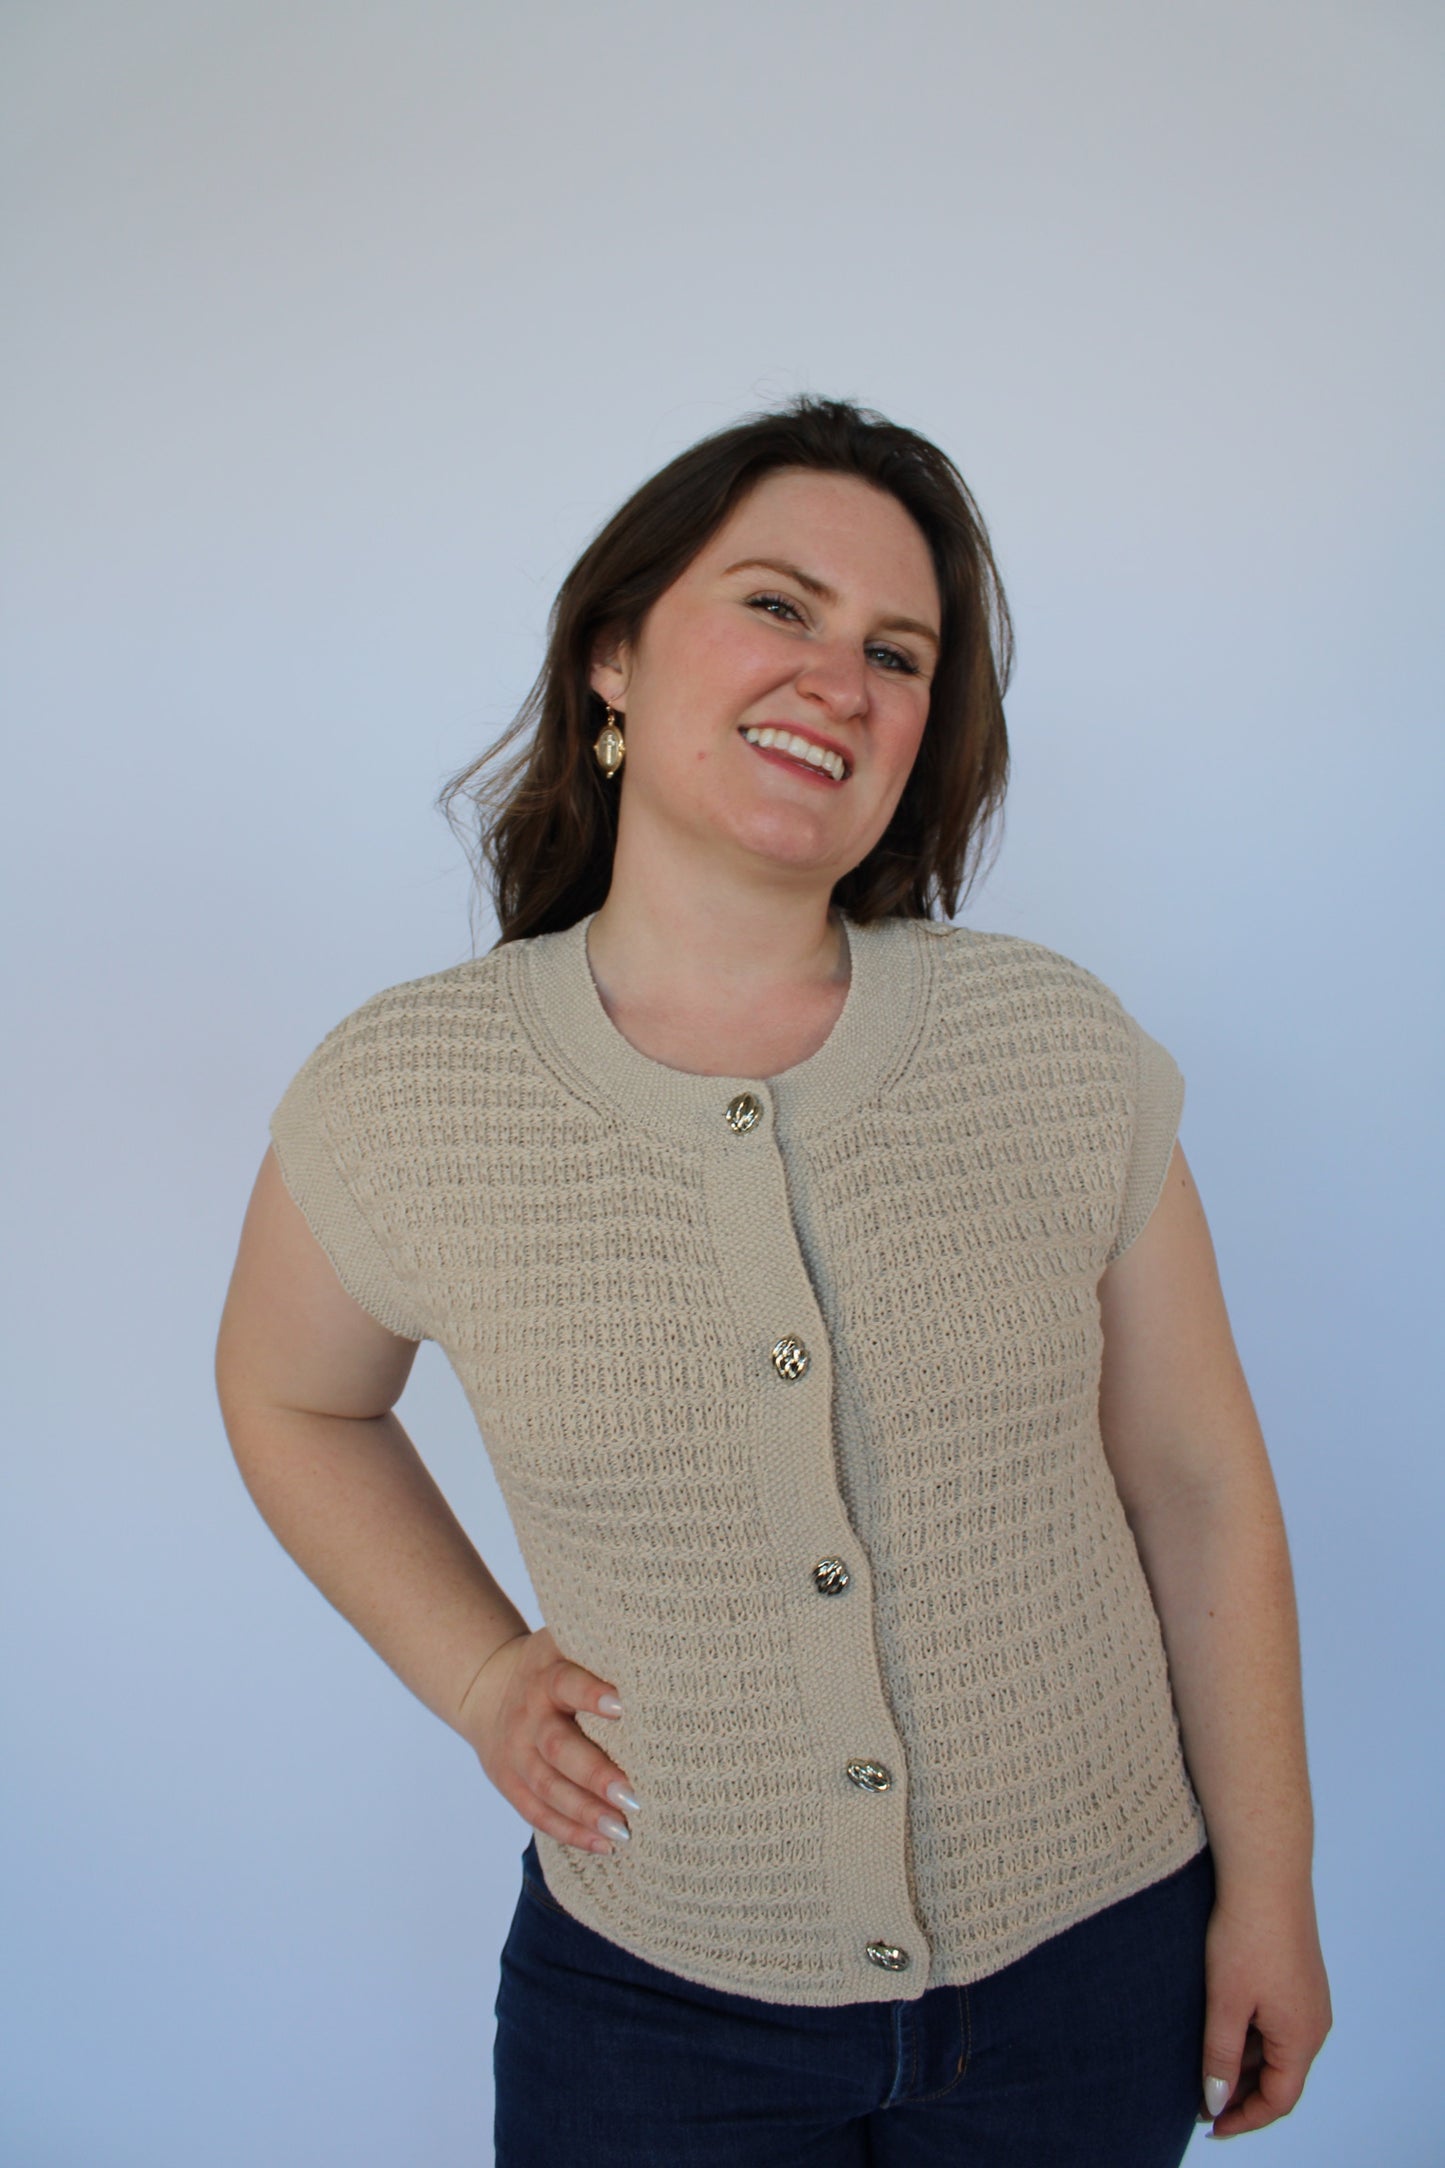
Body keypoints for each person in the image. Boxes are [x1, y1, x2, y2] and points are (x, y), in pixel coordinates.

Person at [214, 396, 1331, 2166]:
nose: (838, 679)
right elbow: (290, 1396)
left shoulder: (1048, 1047)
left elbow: (1199, 1490)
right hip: (654, 2007)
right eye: (776, 606)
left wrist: (1269, 1890)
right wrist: (481, 1674)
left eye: (897, 653)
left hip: (1094, 1971)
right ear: (613, 654)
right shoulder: (407, 1097)